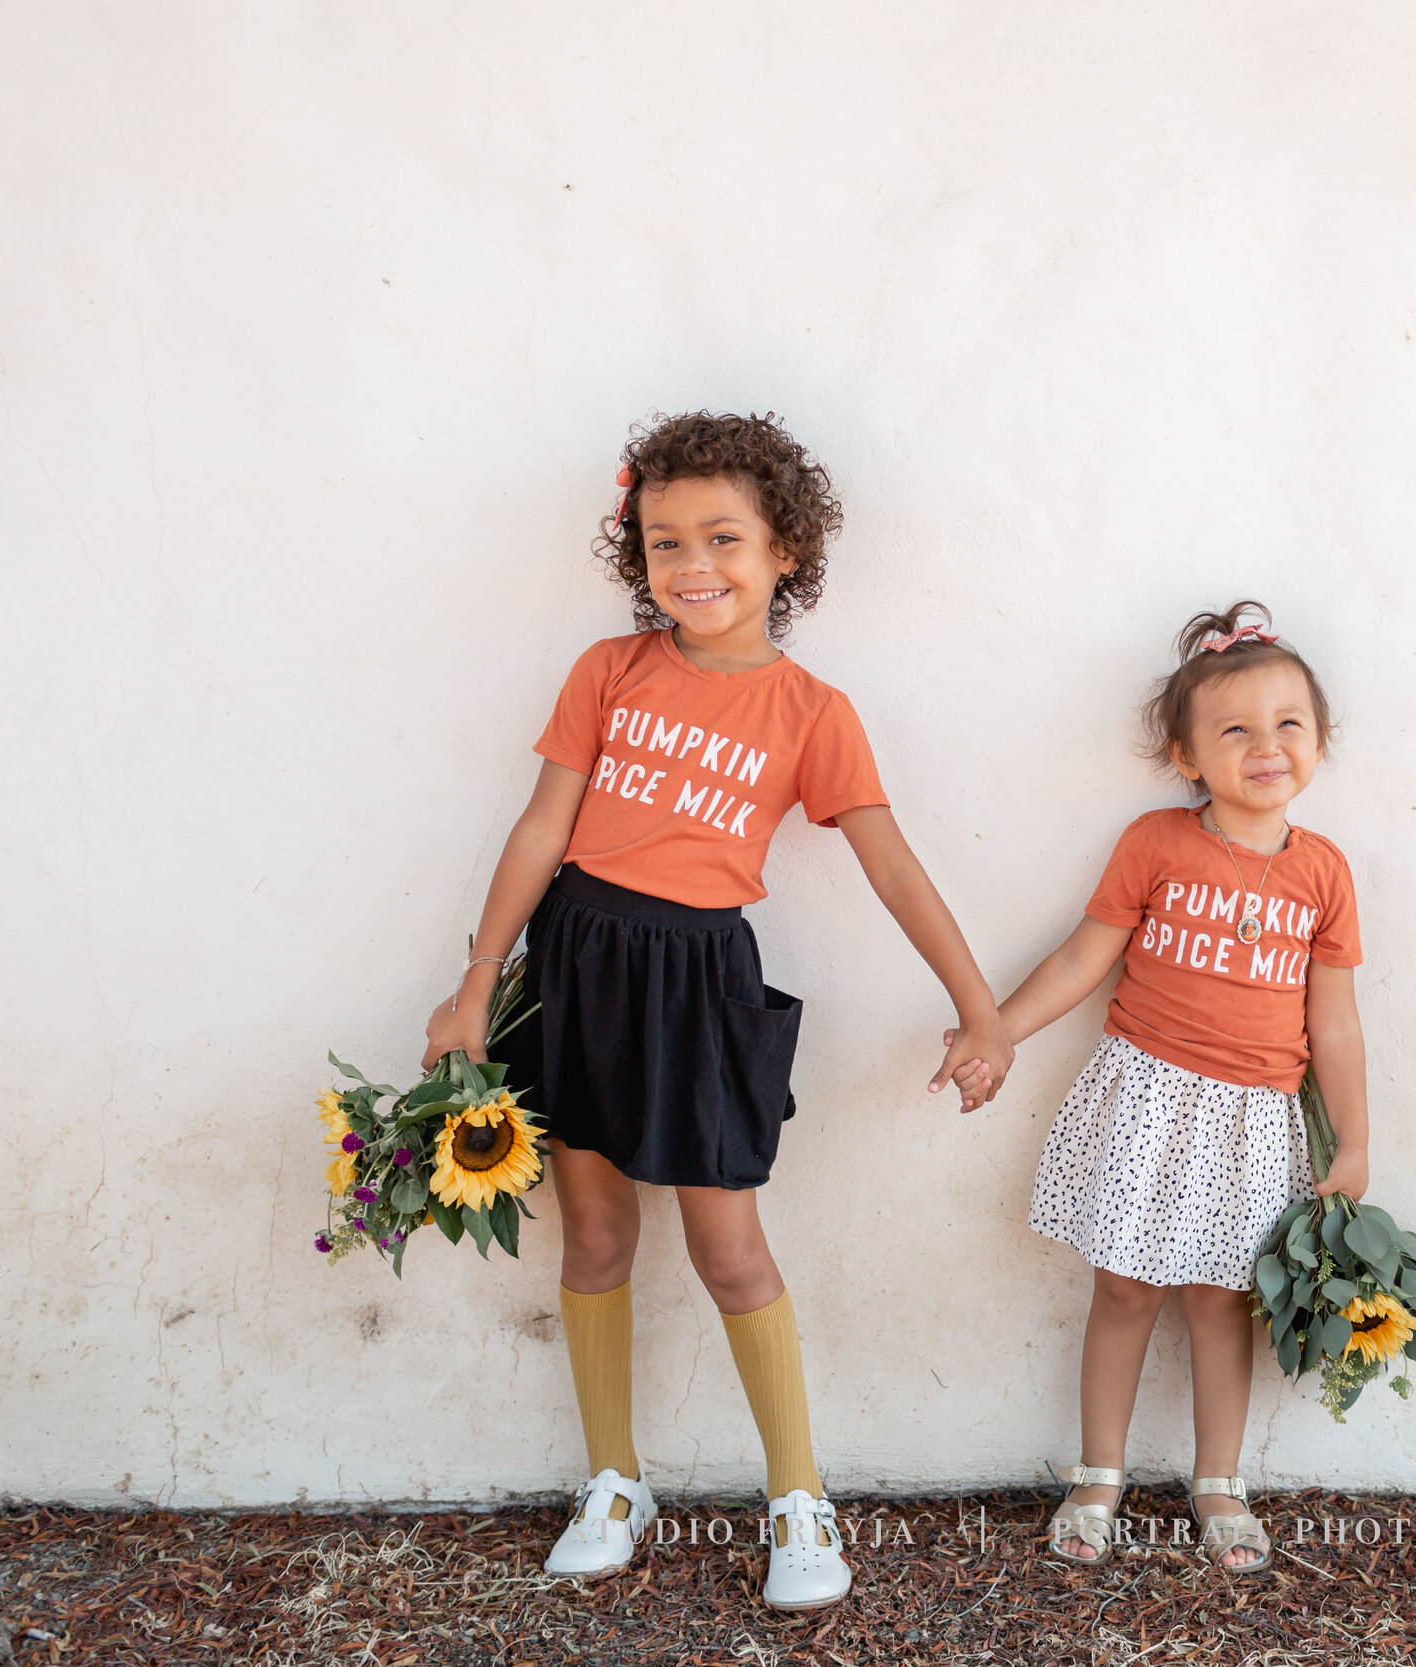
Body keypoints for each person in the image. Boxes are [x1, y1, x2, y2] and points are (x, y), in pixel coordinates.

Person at [422, 411, 1010, 1605]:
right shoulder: (609, 670)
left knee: (727, 1244)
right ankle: (614, 1478)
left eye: (724, 538)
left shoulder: (812, 712)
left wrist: (978, 1008)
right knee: (593, 1235)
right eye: (664, 541)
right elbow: (543, 827)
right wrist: (478, 978)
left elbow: (891, 865)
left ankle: (798, 1497)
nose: (693, 566)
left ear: (785, 549)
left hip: (698, 984)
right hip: (578, 961)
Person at [981, 601, 1367, 1574]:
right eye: (1233, 728)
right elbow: (1081, 960)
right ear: (1187, 754)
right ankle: (1098, 1472)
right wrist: (998, 1028)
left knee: (1219, 1298)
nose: (1265, 745)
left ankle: (1219, 1480)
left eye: (1288, 723)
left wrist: (1354, 1141)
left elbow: (1335, 1020)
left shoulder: (1323, 874)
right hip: (1148, 1097)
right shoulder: (1155, 842)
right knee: (1123, 1286)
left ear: (1319, 739)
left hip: (1250, 1118)